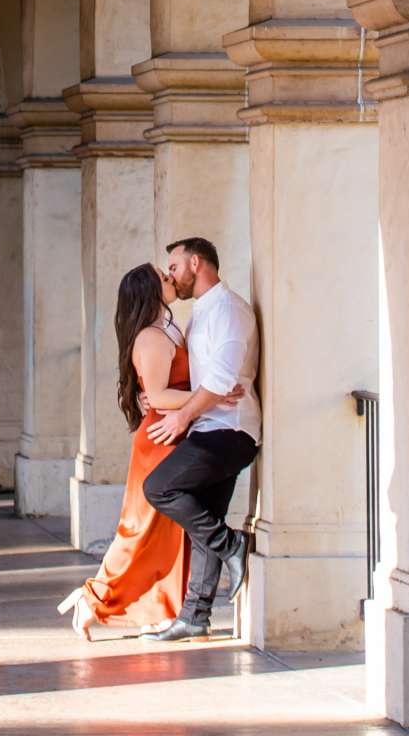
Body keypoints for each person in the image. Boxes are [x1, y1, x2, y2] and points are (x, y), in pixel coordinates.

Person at [55, 263, 202, 638]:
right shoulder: (151, 338)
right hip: (159, 442)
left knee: (168, 531)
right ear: (151, 292)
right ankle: (94, 597)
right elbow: (158, 396)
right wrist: (210, 398)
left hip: (171, 435)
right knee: (140, 530)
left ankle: (163, 607)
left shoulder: (164, 329)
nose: (171, 280)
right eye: (164, 278)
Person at [138, 235, 260, 641]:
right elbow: (197, 379)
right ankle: (195, 616)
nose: (170, 275)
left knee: (159, 488)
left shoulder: (228, 310)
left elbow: (223, 380)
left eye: (173, 267)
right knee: (203, 517)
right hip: (211, 426)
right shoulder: (199, 316)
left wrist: (181, 419)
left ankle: (231, 546)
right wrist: (152, 396)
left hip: (229, 430)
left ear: (196, 264)